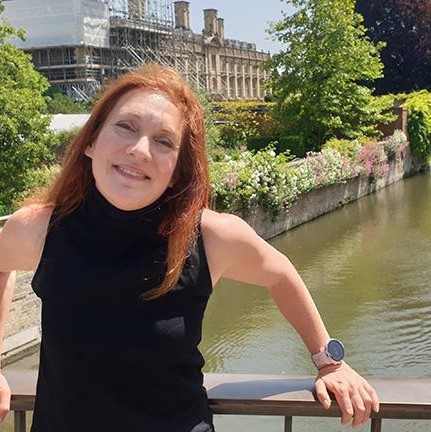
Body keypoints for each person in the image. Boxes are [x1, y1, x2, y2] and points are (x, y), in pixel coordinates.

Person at [0, 64, 379, 431]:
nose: (140, 150)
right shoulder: (40, 229)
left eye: (164, 141)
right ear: (91, 141)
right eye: (125, 127)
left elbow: (280, 275)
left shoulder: (211, 238)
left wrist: (329, 362)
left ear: (178, 169)